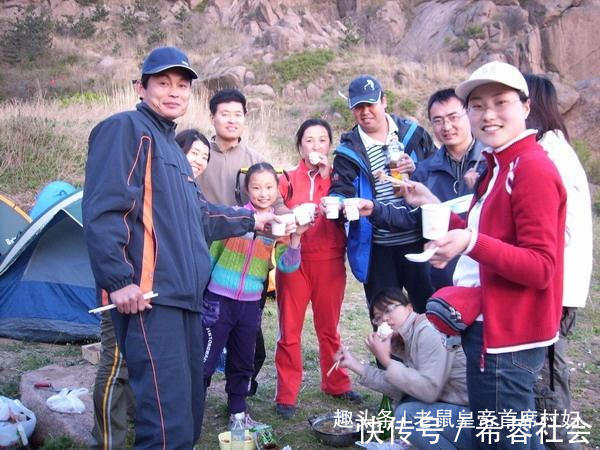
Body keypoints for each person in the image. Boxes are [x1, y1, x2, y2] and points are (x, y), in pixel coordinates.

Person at [82, 46, 276, 449]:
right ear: (141, 87)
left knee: (188, 414)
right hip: (153, 300)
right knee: (164, 423)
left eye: (182, 85)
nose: (174, 92)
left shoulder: (172, 148)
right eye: (163, 83)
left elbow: (200, 218)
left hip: (188, 301)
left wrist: (256, 220)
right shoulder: (127, 130)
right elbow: (105, 208)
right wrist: (119, 280)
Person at [396, 61, 567, 449]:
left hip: (508, 335)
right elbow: (484, 232)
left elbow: (541, 267)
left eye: (500, 102)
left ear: (525, 107)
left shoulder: (531, 169)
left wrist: (470, 242)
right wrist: (433, 206)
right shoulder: (499, 164)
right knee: (504, 434)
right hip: (489, 326)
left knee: (507, 440)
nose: (488, 114)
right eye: (478, 105)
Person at [203, 162, 310, 427]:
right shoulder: (235, 216)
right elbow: (211, 257)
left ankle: (237, 412)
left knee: (243, 359)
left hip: (250, 303)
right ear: (246, 189)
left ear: (277, 189)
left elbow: (287, 266)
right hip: (219, 299)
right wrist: (203, 294)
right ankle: (190, 409)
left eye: (269, 187)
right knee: (205, 357)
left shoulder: (280, 225)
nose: (263, 193)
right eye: (256, 187)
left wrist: (296, 238)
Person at [328, 75, 437, 315]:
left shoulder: (413, 135)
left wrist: (417, 170)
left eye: (370, 104)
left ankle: (432, 353)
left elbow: (438, 176)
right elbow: (340, 192)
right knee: (385, 319)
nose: (365, 112)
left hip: (419, 239)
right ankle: (388, 355)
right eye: (358, 107)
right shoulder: (348, 151)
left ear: (384, 102)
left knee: (431, 312)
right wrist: (337, 205)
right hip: (377, 247)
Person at [274, 119, 360, 419]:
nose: (315, 146)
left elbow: (354, 209)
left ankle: (336, 383)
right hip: (294, 260)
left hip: (330, 260)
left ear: (329, 146)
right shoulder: (285, 178)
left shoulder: (340, 179)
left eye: (322, 140)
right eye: (309, 140)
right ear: (299, 146)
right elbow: (271, 203)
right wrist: (290, 213)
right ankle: (286, 393)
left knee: (329, 328)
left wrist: (334, 188)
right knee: (289, 330)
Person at [196, 88, 280, 396]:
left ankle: (241, 393)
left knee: (249, 338)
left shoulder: (255, 161)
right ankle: (194, 392)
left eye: (238, 115)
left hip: (247, 266)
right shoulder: (199, 154)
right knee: (204, 331)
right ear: (213, 117)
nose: (231, 121)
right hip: (203, 256)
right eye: (225, 114)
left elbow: (275, 205)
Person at [525, 74, 593, 450]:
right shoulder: (552, 149)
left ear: (530, 105)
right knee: (544, 373)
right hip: (557, 282)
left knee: (547, 377)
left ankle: (561, 445)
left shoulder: (550, 155)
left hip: (554, 286)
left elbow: (555, 231)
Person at [335, 288, 471, 449]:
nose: (384, 319)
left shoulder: (429, 330)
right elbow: (403, 389)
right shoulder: (406, 339)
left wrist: (386, 360)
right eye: (377, 318)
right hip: (457, 408)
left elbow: (429, 390)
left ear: (409, 308)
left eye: (389, 310)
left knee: (406, 415)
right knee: (406, 403)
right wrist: (354, 364)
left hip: (477, 416)